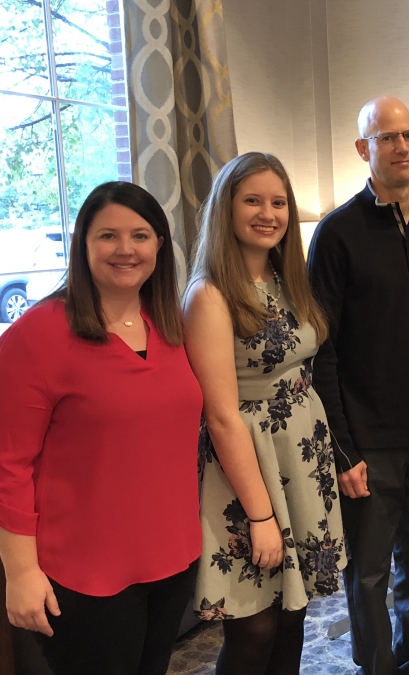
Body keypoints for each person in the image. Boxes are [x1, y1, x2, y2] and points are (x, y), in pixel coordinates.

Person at [0, 182, 202, 675]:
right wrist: (20, 572)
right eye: (108, 235)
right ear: (83, 245)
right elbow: (9, 465)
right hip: (83, 572)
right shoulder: (38, 334)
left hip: (172, 557)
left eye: (140, 235)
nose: (126, 249)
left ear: (160, 245)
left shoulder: (171, 325)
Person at [307, 95, 409, 675]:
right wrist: (342, 449)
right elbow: (324, 352)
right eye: (387, 137)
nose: (401, 146)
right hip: (367, 445)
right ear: (363, 148)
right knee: (368, 573)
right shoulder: (337, 234)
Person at [184, 152, 345, 675]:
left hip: (299, 463)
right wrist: (261, 517)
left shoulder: (286, 278)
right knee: (255, 627)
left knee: (292, 616)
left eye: (278, 202)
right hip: (249, 474)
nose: (268, 213)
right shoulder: (210, 295)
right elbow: (223, 416)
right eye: (252, 200)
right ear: (225, 209)